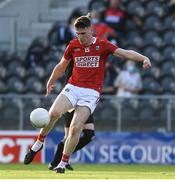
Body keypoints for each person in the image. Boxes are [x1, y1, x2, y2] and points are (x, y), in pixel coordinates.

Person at [24, 13, 151, 174]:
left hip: (91, 93)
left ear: (91, 30)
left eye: (83, 33)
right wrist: (51, 81)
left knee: (76, 129)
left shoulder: (103, 45)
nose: (80, 37)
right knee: (54, 113)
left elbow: (125, 53)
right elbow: (61, 66)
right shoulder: (73, 45)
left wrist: (143, 58)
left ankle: (63, 162)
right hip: (73, 87)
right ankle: (38, 143)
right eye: (78, 34)